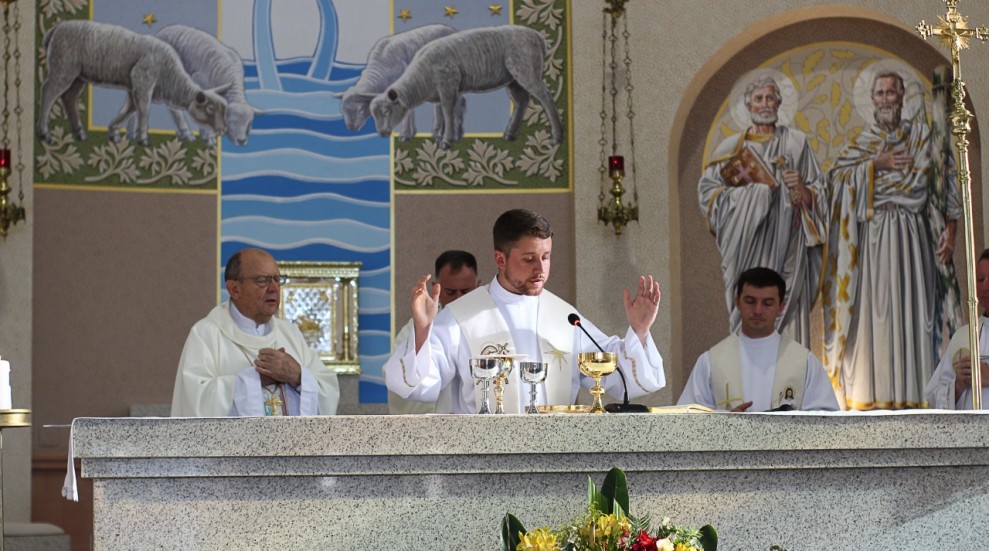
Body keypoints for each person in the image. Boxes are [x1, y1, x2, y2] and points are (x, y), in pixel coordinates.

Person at [383, 208, 666, 414]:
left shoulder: (566, 318)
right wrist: (422, 330)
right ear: (500, 259)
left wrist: (639, 331)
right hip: (482, 468)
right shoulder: (461, 317)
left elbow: (615, 377)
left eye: (546, 257)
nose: (540, 269)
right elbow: (419, 387)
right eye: (529, 259)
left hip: (557, 462)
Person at [824, 70, 961, 410]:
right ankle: (869, 398)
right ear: (872, 100)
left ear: (902, 98)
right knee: (874, 318)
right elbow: (834, 183)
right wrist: (874, 165)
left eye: (891, 93)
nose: (885, 99)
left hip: (915, 239)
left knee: (916, 315)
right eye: (880, 93)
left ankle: (918, 395)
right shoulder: (863, 143)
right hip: (872, 241)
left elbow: (948, 181)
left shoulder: (923, 138)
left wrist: (952, 230)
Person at [698, 75, 827, 348]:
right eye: (759, 99)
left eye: (770, 98)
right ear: (748, 106)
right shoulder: (731, 149)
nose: (765, 104)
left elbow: (821, 194)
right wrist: (754, 196)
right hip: (747, 249)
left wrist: (802, 189)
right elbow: (709, 195)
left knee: (789, 330)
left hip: (789, 250)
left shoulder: (796, 143)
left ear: (779, 103)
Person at [171, 248, 340, 416]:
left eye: (277, 279)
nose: (274, 288)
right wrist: (255, 379)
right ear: (234, 289)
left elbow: (328, 390)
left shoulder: (290, 333)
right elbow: (194, 402)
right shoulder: (206, 334)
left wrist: (296, 376)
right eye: (262, 280)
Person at [677, 267, 838, 412]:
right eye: (750, 301)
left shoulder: (805, 362)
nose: (758, 310)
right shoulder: (710, 362)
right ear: (737, 302)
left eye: (767, 303)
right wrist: (724, 424)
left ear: (781, 307)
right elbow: (688, 420)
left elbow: (826, 421)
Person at [387, 250, 481, 414]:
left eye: (466, 291)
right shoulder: (415, 330)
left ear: (478, 285)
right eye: (450, 292)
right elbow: (401, 379)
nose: (458, 298)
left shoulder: (485, 327)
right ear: (436, 287)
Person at [925, 249, 989, 409]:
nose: (985, 286)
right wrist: (958, 386)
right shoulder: (964, 337)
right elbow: (932, 396)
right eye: (980, 279)